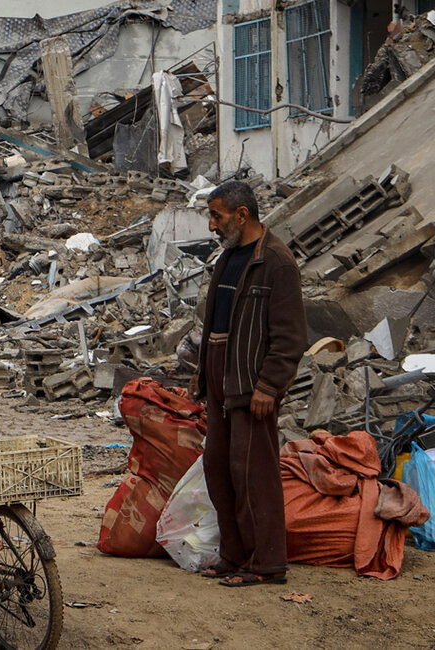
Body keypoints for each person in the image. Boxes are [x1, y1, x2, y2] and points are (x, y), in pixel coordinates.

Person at [192, 180, 307, 587]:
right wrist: (203, 372)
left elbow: (290, 336)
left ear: (242, 215)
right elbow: (218, 324)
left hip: (252, 384)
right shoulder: (229, 258)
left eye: (217, 216)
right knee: (219, 467)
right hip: (222, 378)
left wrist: (269, 385)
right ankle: (235, 554)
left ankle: (266, 563)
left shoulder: (276, 261)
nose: (211, 226)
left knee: (252, 473)